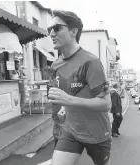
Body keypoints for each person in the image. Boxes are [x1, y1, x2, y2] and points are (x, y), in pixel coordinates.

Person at [47, 10, 112, 165]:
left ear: (73, 31)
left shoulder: (90, 62)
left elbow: (105, 104)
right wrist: (64, 105)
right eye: (49, 29)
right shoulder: (55, 65)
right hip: (72, 131)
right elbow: (63, 96)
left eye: (57, 28)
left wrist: (69, 100)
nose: (51, 33)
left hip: (97, 134)